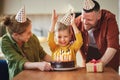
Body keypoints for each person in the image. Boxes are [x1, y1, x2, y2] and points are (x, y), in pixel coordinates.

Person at [1, 7, 53, 79]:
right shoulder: (5, 42)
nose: (31, 34)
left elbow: (42, 54)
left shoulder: (32, 38)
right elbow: (19, 62)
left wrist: (57, 62)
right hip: (18, 77)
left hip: (36, 76)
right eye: (28, 33)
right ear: (16, 35)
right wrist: (38, 65)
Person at [73, 0, 119, 71]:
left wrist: (100, 63)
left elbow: (112, 46)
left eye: (89, 19)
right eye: (83, 18)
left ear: (99, 15)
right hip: (88, 59)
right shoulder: (77, 22)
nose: (85, 22)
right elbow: (64, 40)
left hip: (109, 60)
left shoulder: (109, 19)